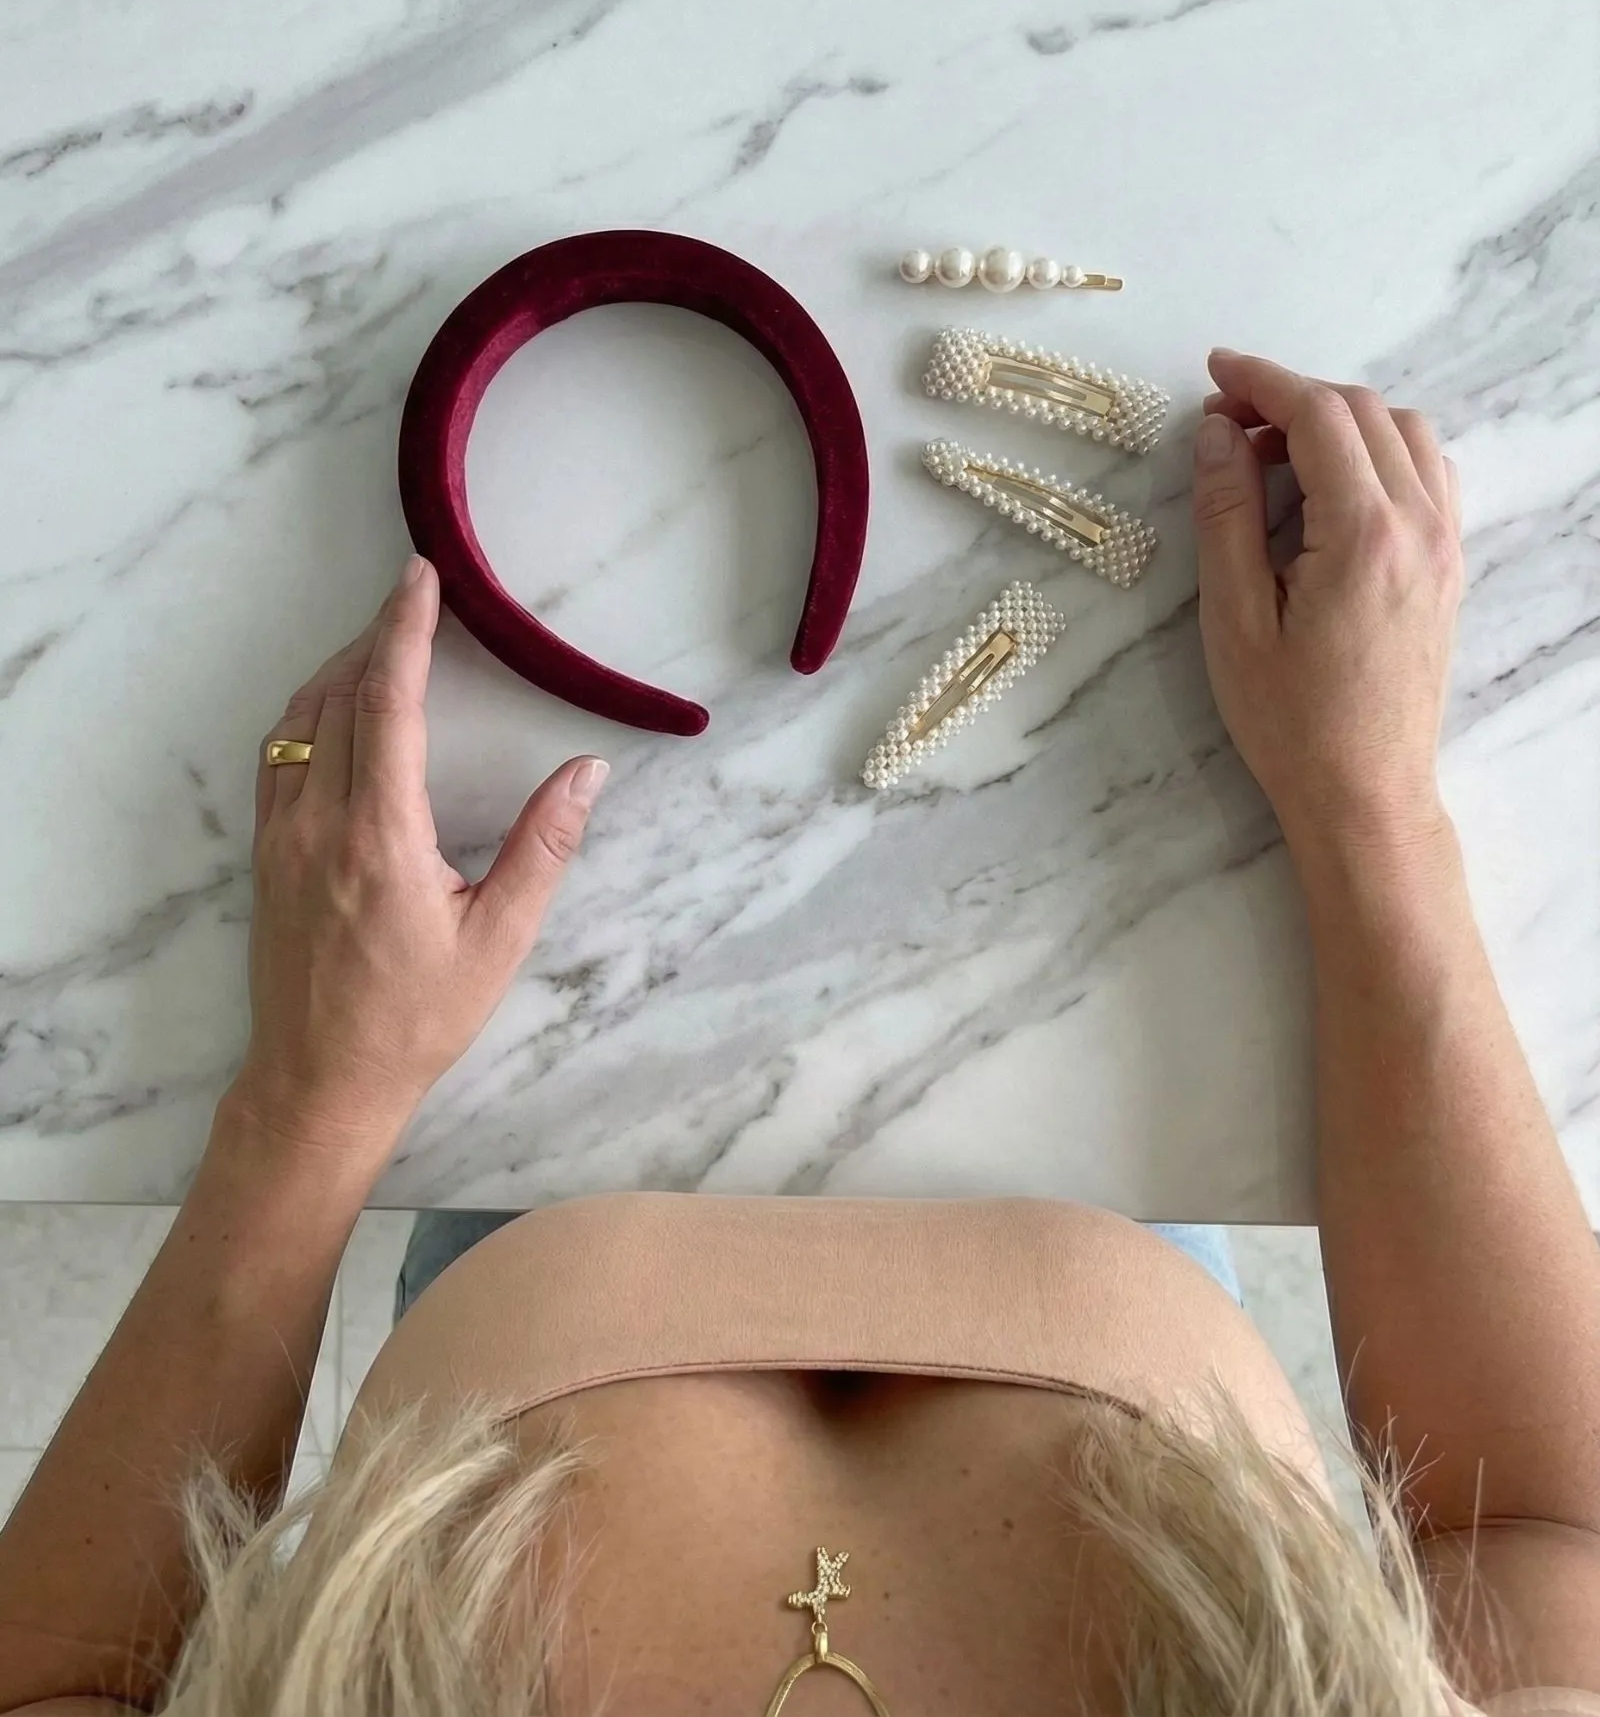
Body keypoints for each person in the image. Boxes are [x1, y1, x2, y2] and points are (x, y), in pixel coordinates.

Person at [0, 351, 1595, 1717]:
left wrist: (308, 1101)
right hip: (1106, 1208)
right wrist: (1375, 811)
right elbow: (1541, 1538)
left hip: (539, 1205)